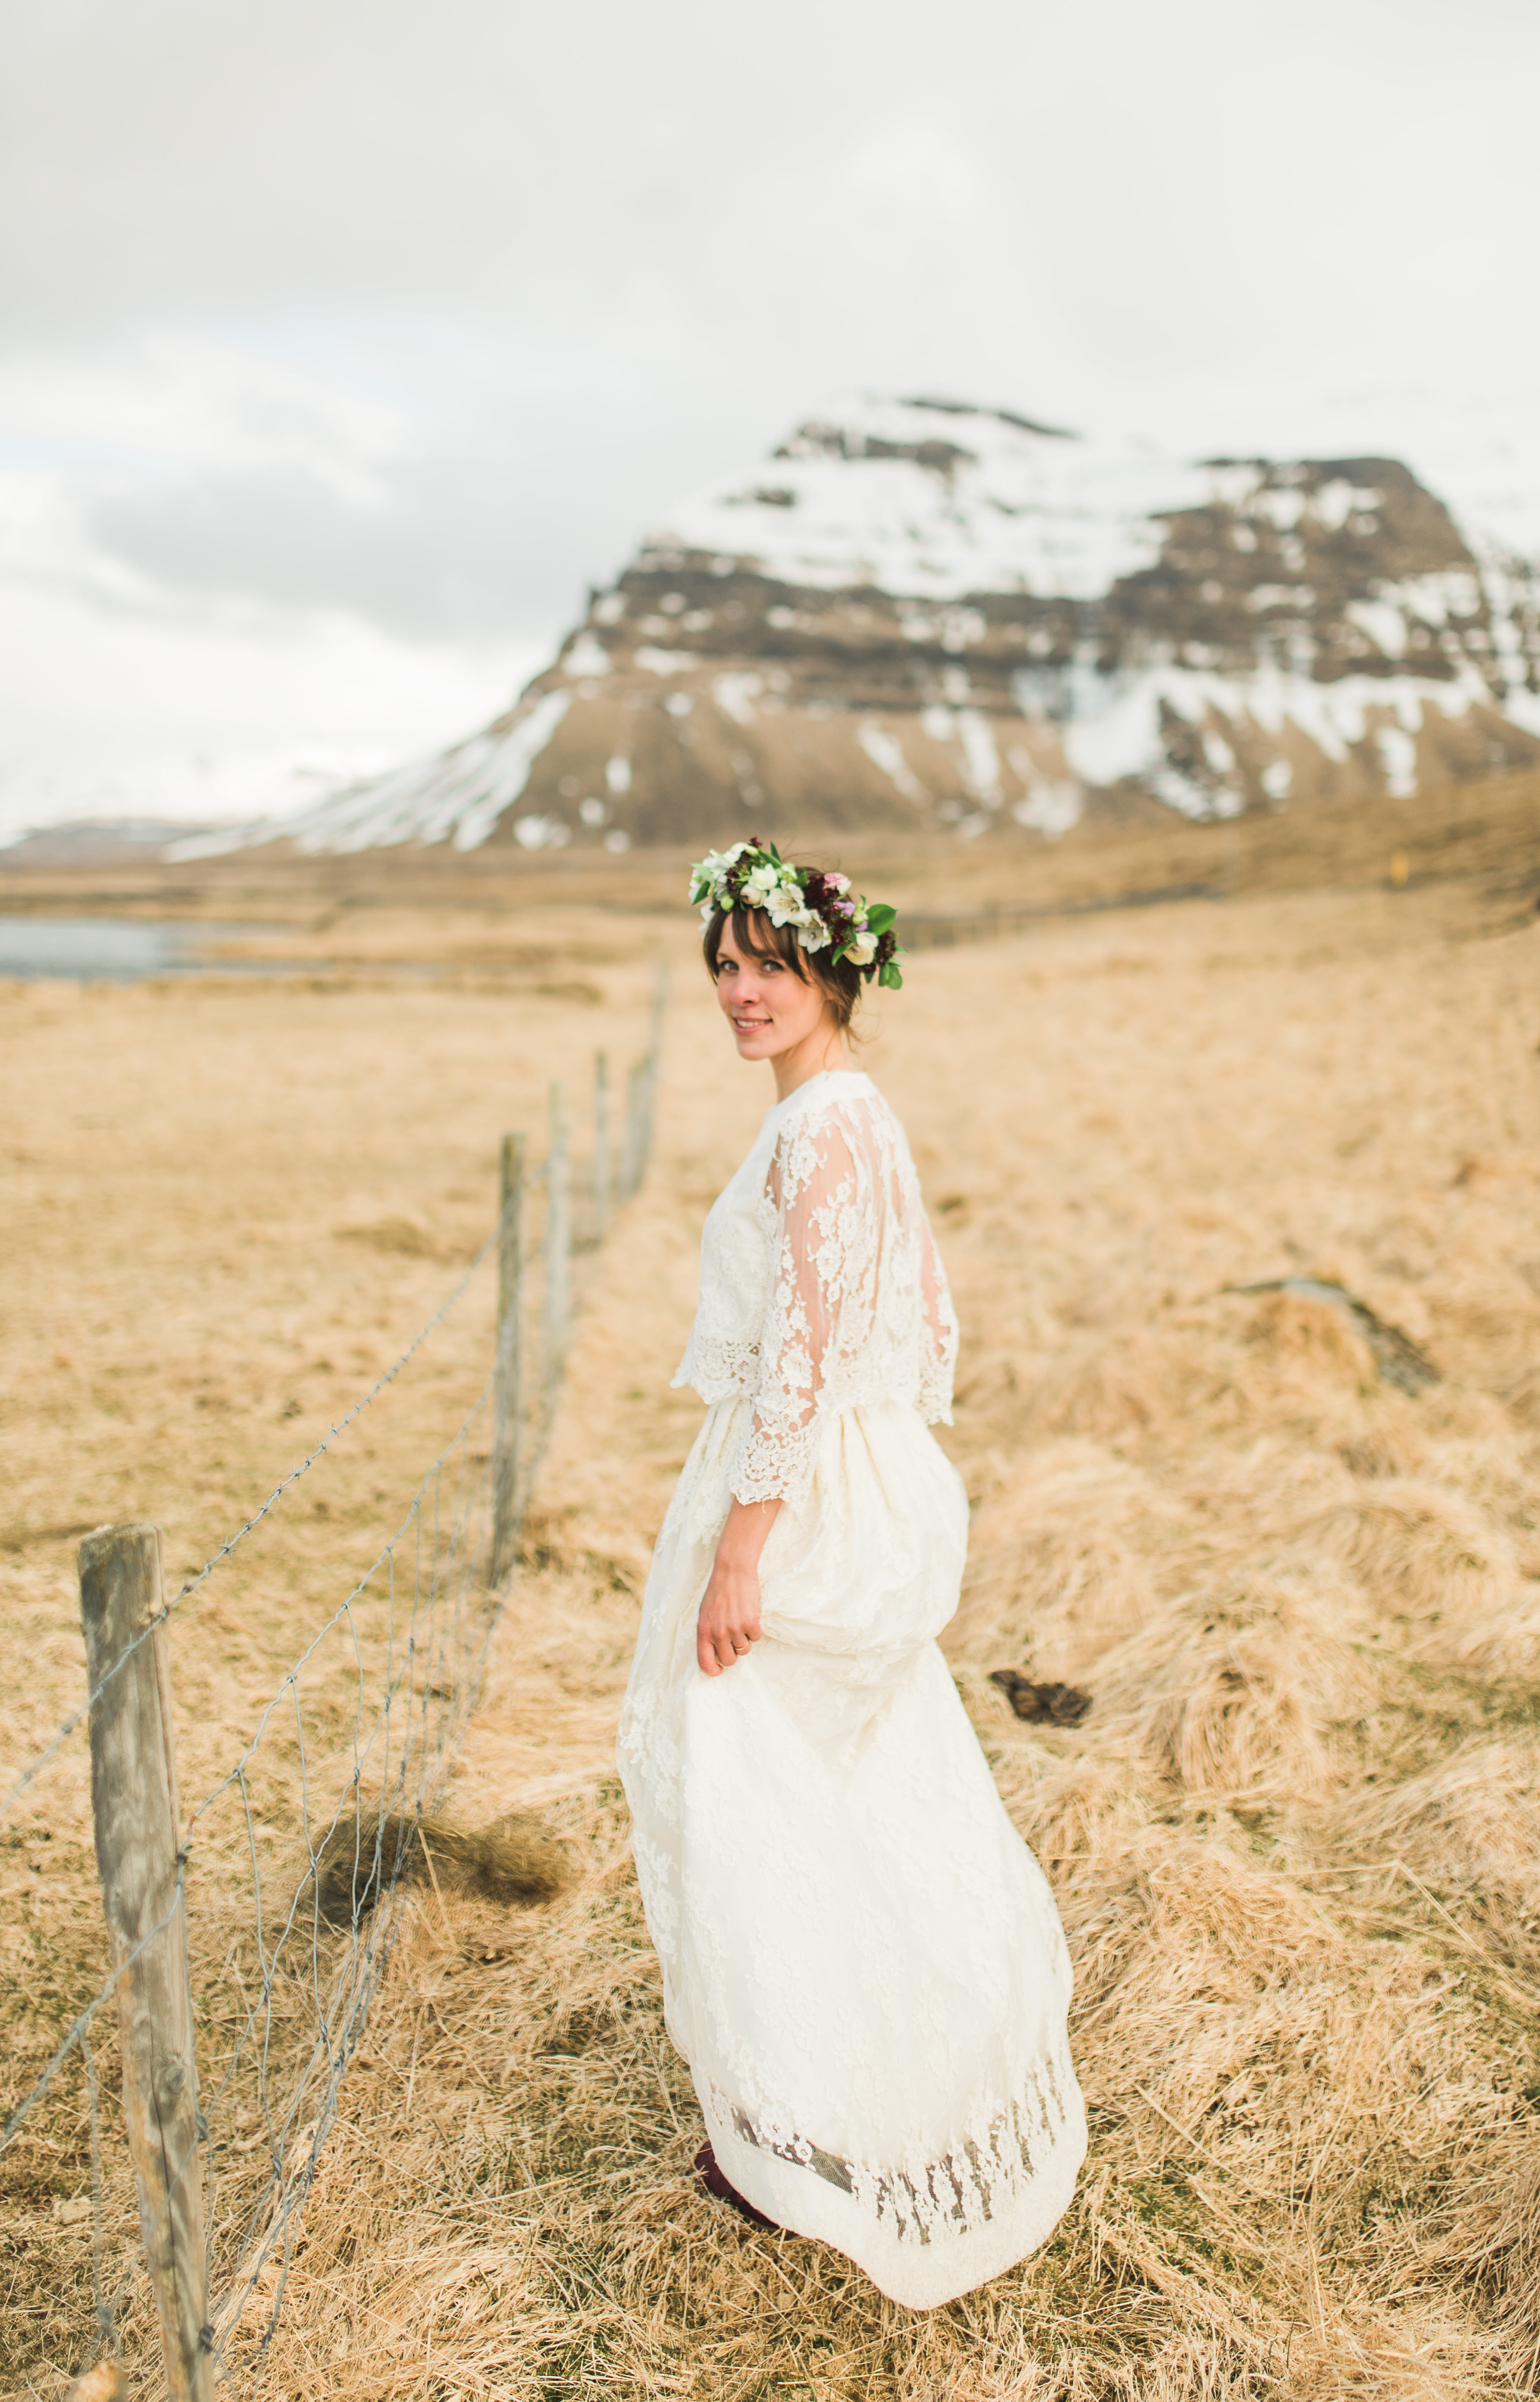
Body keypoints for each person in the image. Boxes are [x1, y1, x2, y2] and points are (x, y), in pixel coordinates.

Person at [617, 842, 1086, 2310]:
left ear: (835, 970)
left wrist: (739, 1551)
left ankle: (836, 2126)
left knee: (768, 1798)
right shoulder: (846, 1112)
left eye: (769, 962)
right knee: (833, 1793)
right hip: (833, 1476)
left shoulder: (825, 1125)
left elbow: (809, 1354)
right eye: (724, 962)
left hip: (801, 1498)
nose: (740, 991)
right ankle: (829, 2106)